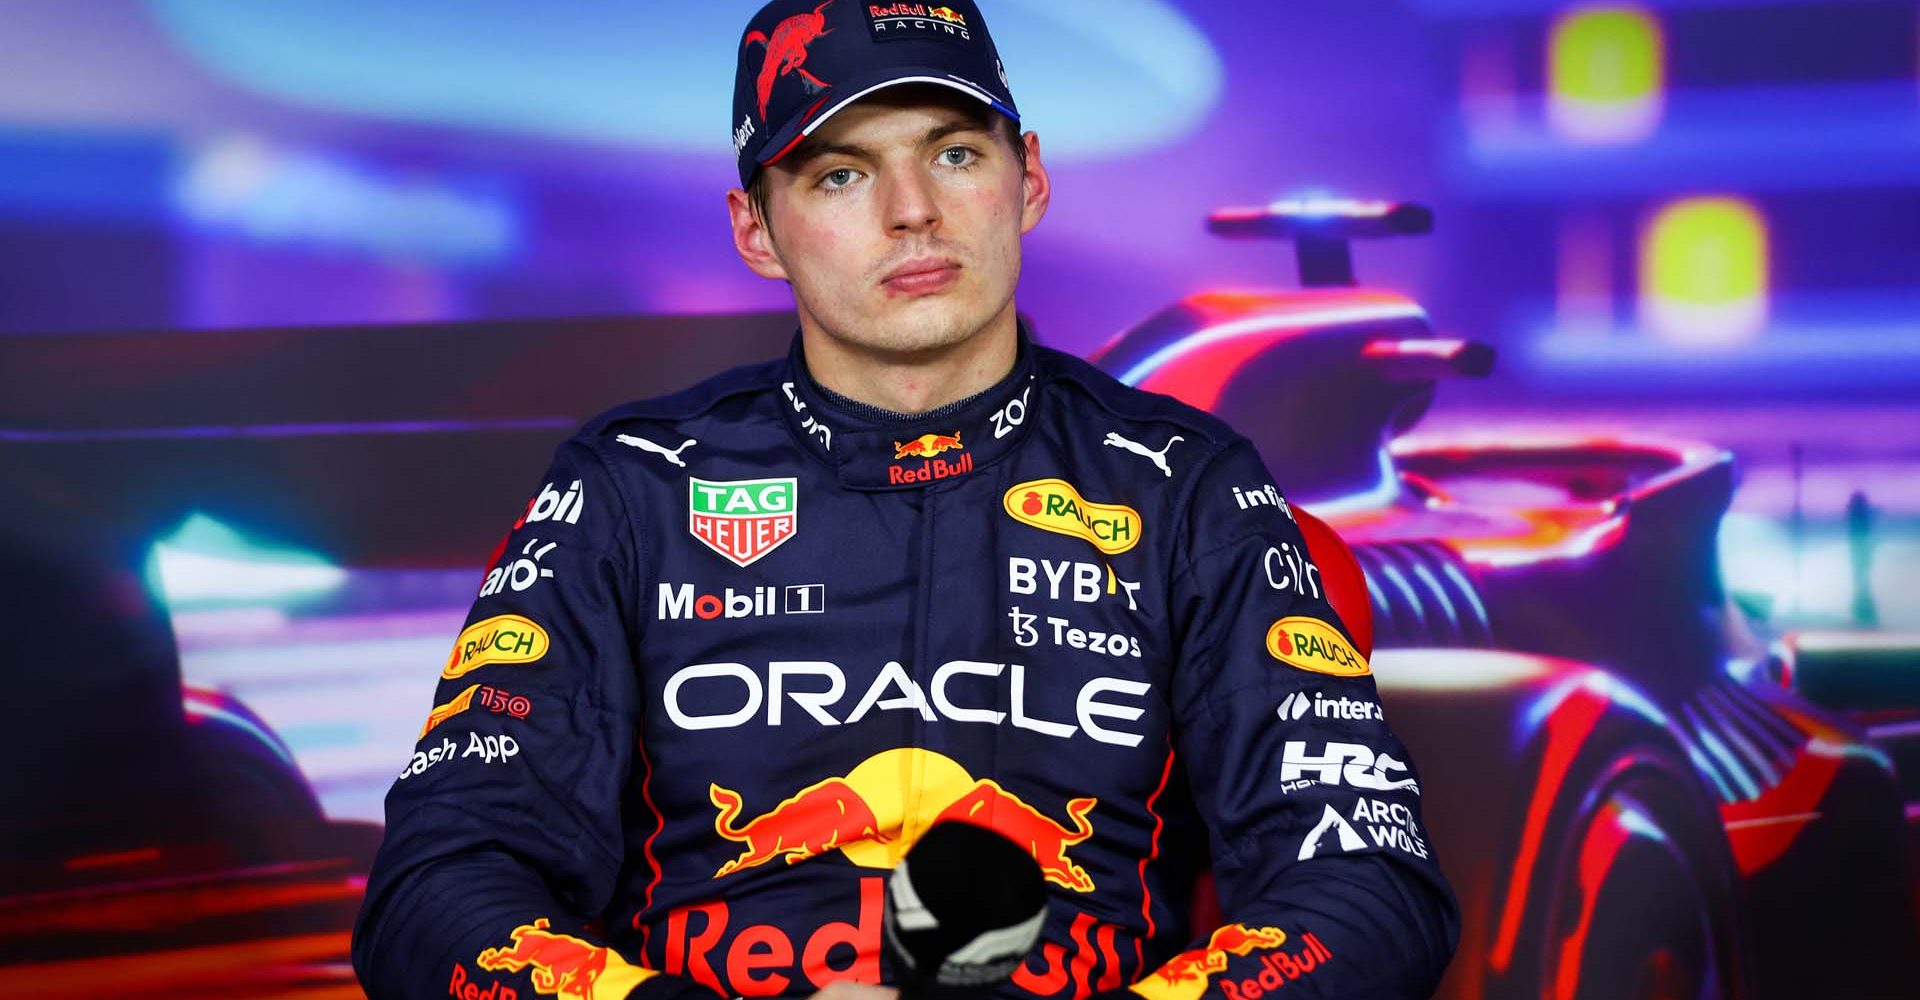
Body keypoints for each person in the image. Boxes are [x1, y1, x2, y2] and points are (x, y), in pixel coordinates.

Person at [351, 2, 1459, 998]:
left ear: (1026, 178)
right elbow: (440, 890)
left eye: (955, 152)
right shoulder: (631, 484)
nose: (913, 210)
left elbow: (1369, 888)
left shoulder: (1188, 486)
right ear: (755, 228)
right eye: (840, 174)